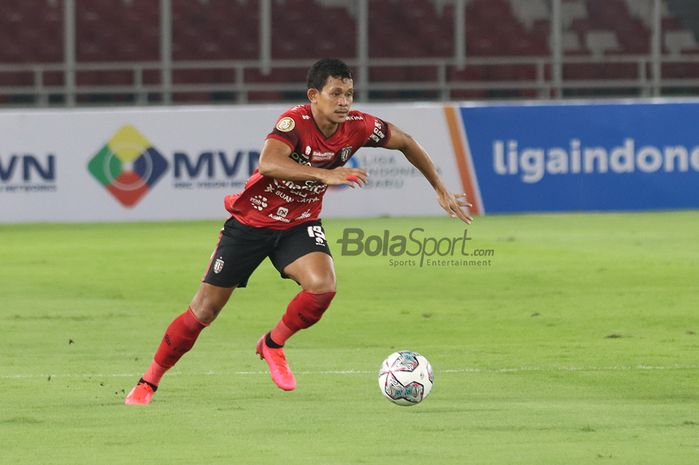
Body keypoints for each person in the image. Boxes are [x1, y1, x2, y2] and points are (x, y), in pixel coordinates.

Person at [125, 58, 472, 404]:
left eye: (349, 94)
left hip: (299, 223)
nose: (344, 102)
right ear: (313, 95)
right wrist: (325, 175)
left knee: (323, 286)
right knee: (204, 311)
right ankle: (148, 382)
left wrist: (439, 188)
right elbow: (269, 163)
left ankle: (273, 343)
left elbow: (407, 141)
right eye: (336, 93)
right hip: (251, 223)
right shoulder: (295, 122)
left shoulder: (359, 126)